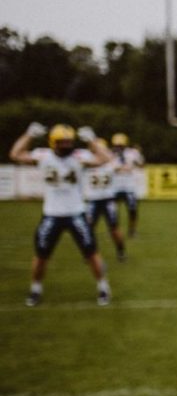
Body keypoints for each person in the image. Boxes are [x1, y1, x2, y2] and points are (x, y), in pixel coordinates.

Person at [9, 122, 114, 306]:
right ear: (53, 142)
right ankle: (35, 289)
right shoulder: (44, 156)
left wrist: (92, 140)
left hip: (76, 213)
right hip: (52, 214)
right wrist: (29, 135)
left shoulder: (79, 156)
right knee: (41, 255)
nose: (66, 145)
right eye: (62, 142)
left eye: (69, 141)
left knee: (91, 252)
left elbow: (106, 158)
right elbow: (15, 154)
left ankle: (103, 287)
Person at [82, 141, 127, 262]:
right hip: (101, 200)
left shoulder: (88, 162)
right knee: (106, 228)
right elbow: (122, 167)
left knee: (109, 228)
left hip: (99, 199)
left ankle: (118, 251)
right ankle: (119, 252)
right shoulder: (110, 162)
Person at [109, 133, 144, 238]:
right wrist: (121, 168)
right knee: (113, 211)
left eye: (121, 146)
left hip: (129, 186)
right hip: (115, 187)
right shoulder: (110, 154)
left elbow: (141, 164)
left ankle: (132, 230)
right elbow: (109, 167)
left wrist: (137, 160)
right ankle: (115, 231)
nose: (118, 148)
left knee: (133, 209)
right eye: (117, 145)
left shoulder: (133, 153)